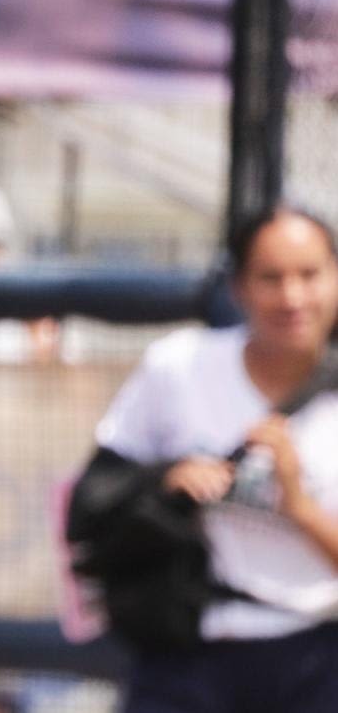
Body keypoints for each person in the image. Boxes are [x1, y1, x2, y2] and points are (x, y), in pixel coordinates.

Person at [88, 207, 338, 712]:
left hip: (315, 657)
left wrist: (300, 505)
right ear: (239, 286)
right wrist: (167, 478)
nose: (292, 297)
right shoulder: (180, 366)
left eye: (310, 275)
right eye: (271, 278)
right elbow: (95, 495)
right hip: (185, 648)